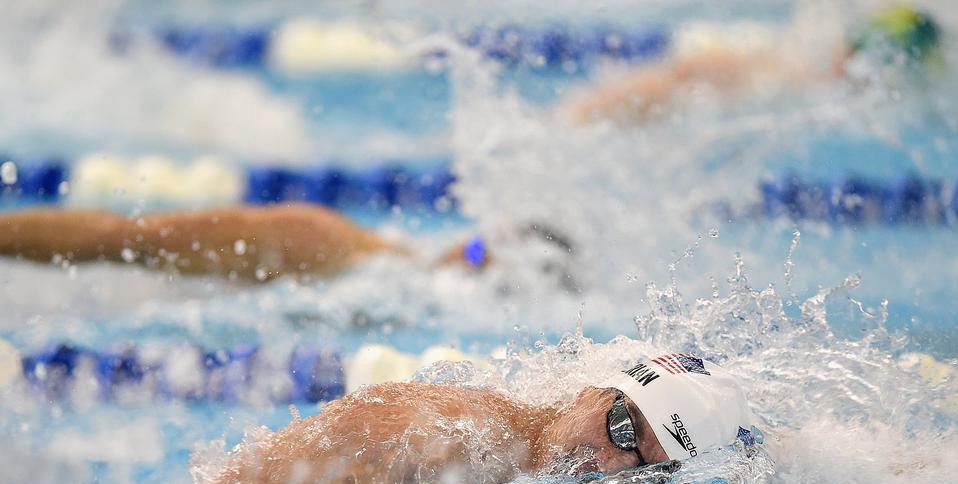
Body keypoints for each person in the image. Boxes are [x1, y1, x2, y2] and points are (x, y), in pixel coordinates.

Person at [66, 353, 753, 484]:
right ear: (587, 394)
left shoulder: (526, 471)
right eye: (623, 430)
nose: (608, 465)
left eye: (646, 466)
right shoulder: (421, 436)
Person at [0, 202, 576, 284]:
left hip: (311, 246)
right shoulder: (394, 262)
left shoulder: (405, 269)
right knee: (126, 241)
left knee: (126, 241)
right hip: (313, 246)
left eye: (482, 249)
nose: (469, 248)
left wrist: (478, 254)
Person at [570, 5, 944, 124]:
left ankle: (579, 116)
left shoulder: (796, 76)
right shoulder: (785, 72)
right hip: (735, 68)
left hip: (733, 70)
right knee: (679, 78)